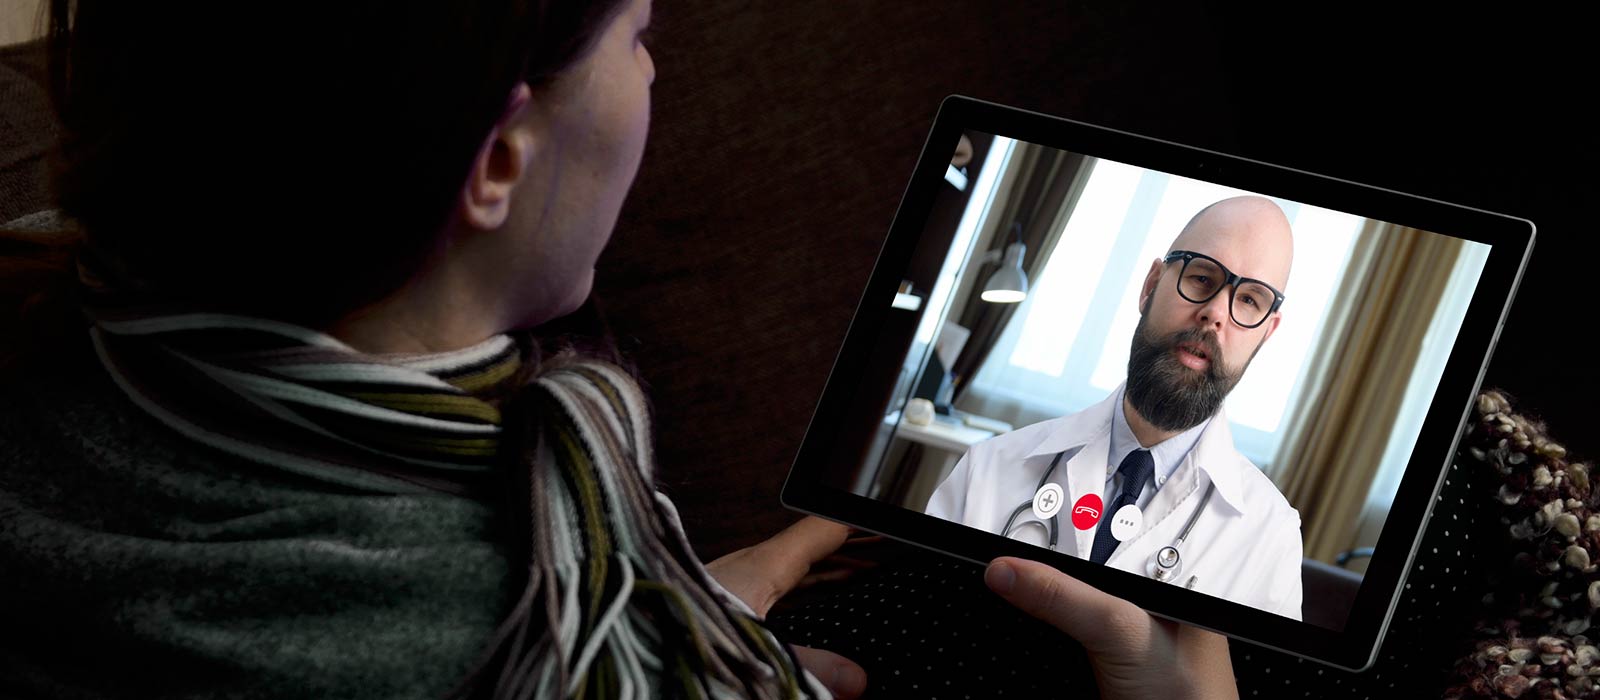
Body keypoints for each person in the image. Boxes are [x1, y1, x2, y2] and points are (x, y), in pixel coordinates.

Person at [0, 0, 1240, 697]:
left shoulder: (60, 337)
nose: (656, 72)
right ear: (496, 161)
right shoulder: (517, 640)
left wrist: (697, 599)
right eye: (641, 36)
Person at [927, 196, 1305, 621]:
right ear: (1150, 286)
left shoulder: (1272, 535)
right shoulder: (990, 466)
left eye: (1250, 301)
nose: (1215, 312)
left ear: (1266, 335)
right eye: (1201, 277)